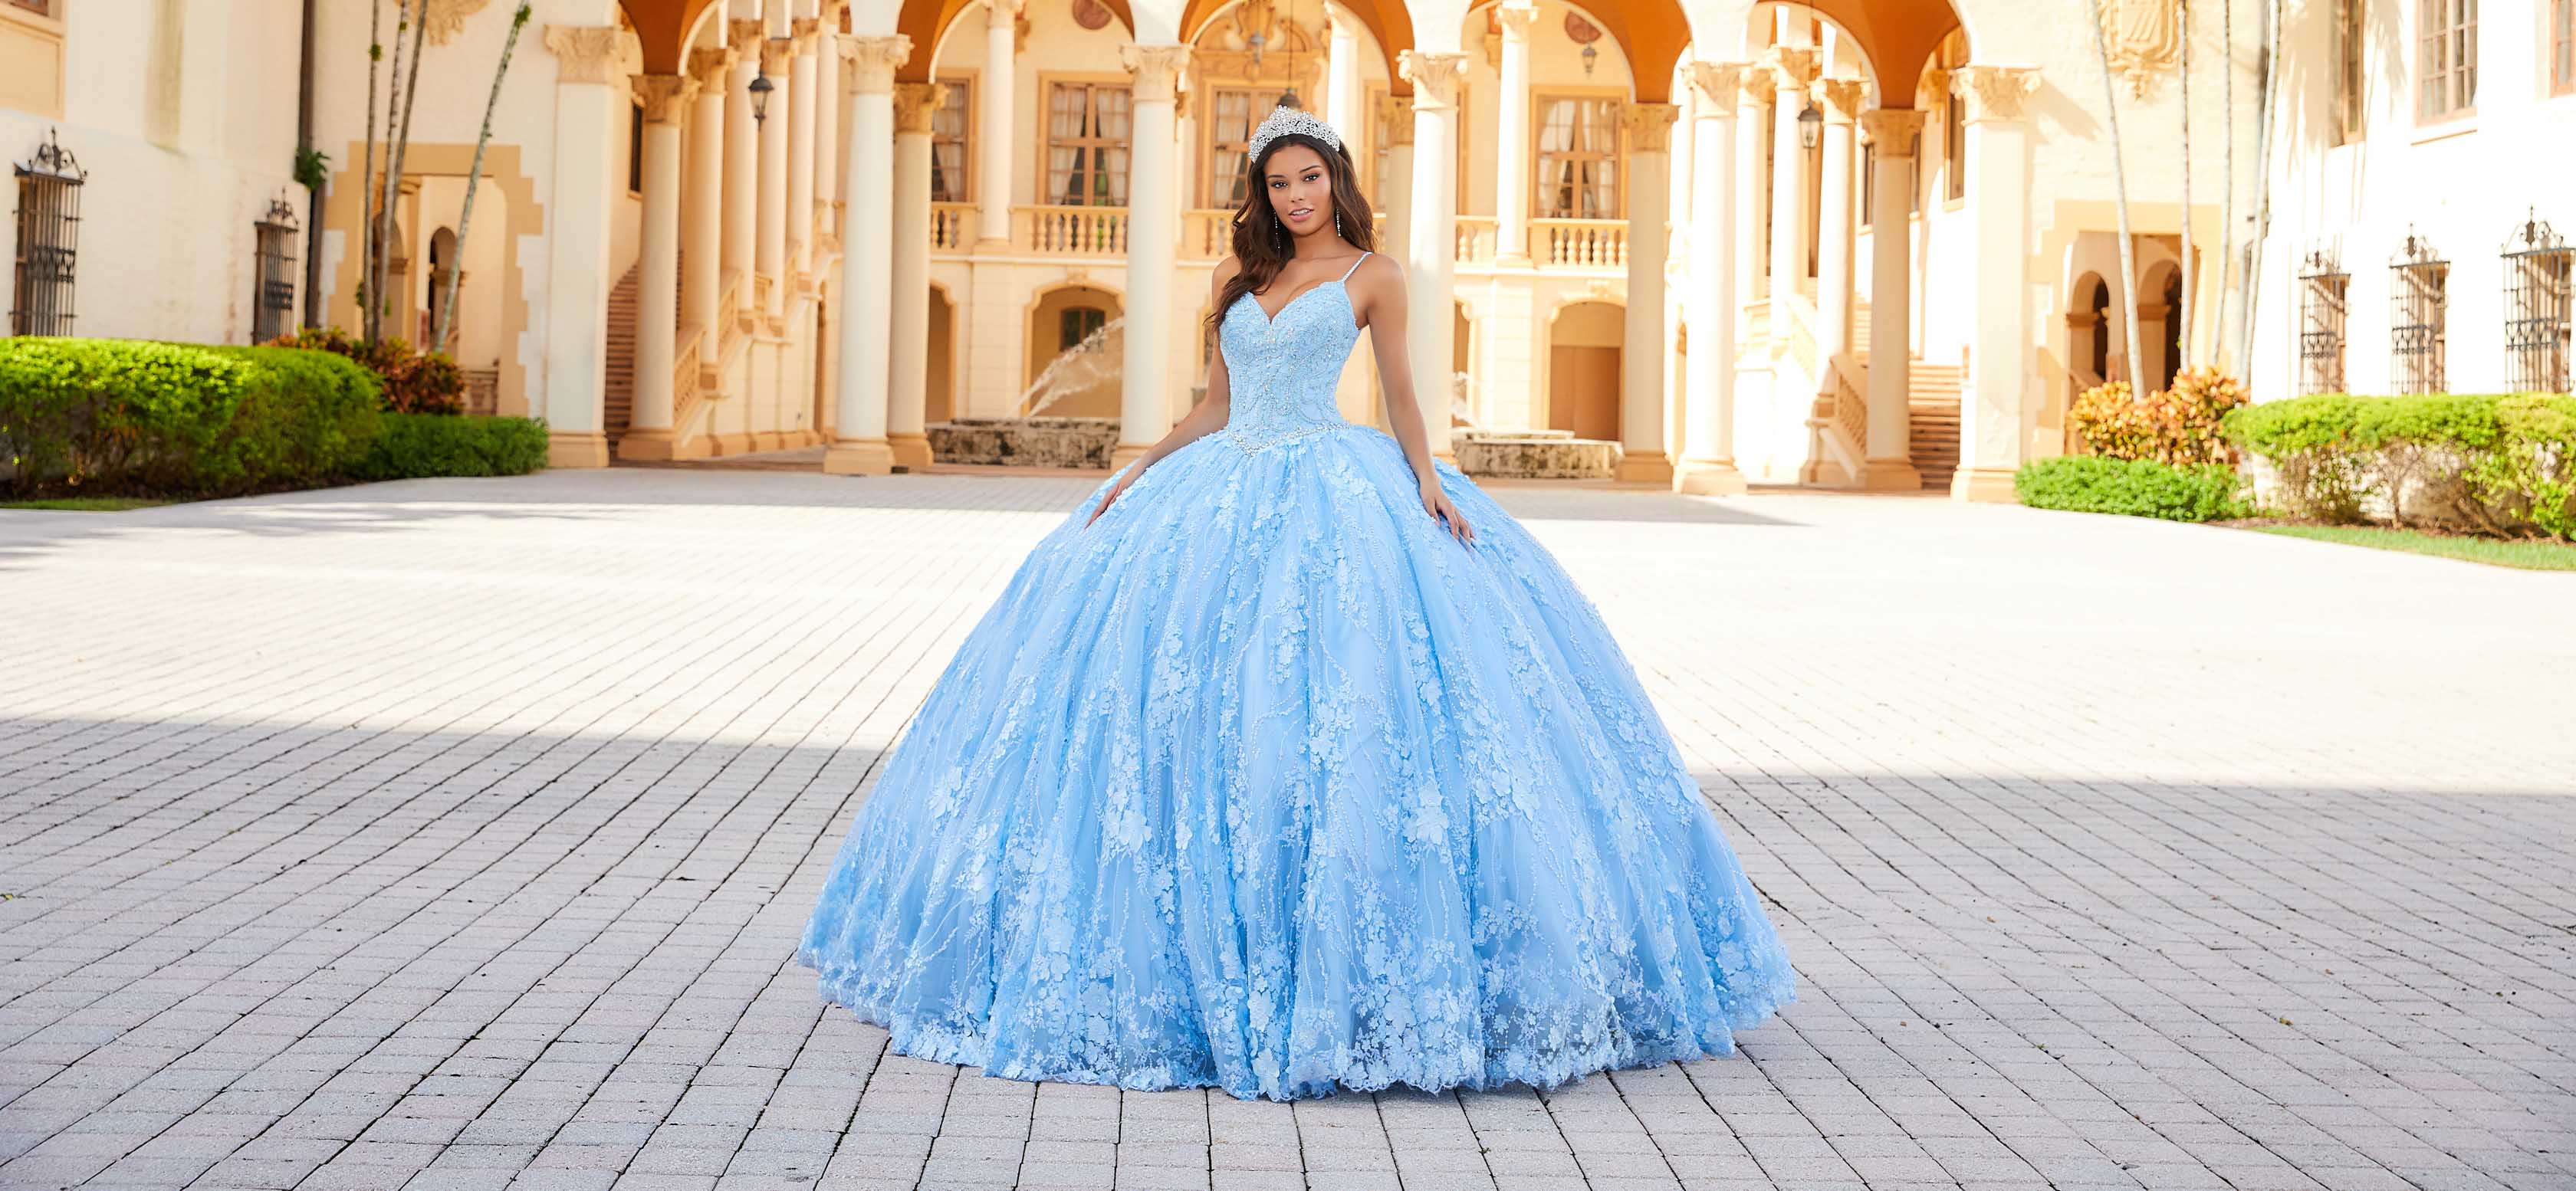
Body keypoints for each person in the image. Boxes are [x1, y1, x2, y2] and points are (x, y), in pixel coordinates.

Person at [797, 105, 1793, 1101]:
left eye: (1309, 177)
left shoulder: (1375, 277)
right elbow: (1217, 404)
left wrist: (1427, 480)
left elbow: (1403, 393)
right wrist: (1143, 464)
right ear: (1264, 195)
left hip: (1335, 489)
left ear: (1337, 179)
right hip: (1221, 484)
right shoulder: (1241, 279)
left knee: (1335, 711)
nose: (1296, 196)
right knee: (1185, 703)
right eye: (1279, 183)